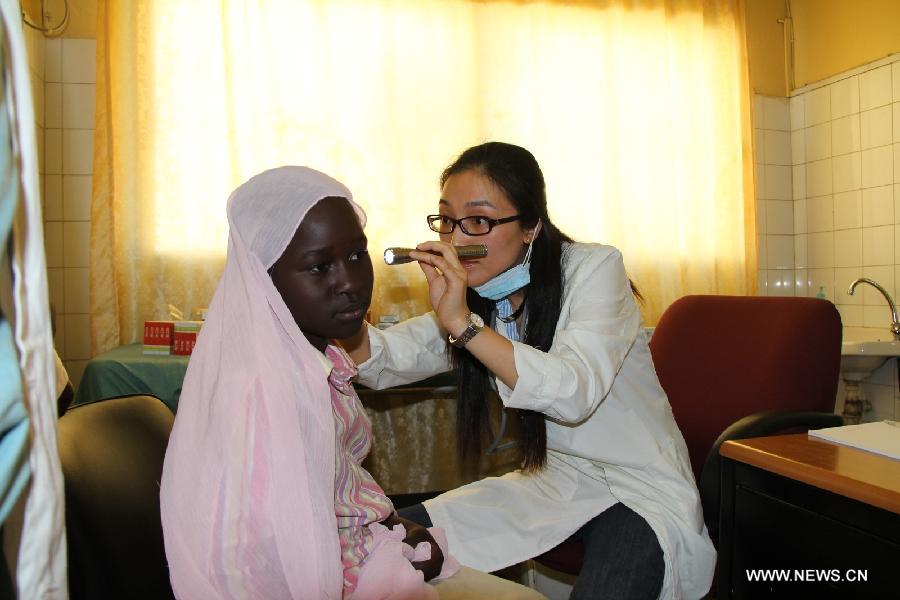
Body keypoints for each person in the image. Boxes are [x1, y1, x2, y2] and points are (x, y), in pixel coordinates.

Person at [344, 142, 717, 599]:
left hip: (637, 489)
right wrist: (335, 315)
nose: (457, 240)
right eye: (446, 220)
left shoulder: (594, 268)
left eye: (478, 221)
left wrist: (462, 324)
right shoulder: (482, 295)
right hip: (553, 483)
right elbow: (386, 358)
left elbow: (573, 393)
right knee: (386, 545)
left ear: (531, 227)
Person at [159, 166, 544, 600]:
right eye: (319, 266)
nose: (349, 283)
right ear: (262, 279)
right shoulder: (262, 398)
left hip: (369, 554)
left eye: (357, 256)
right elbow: (253, 568)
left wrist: (390, 526)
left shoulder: (319, 358)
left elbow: (338, 490)